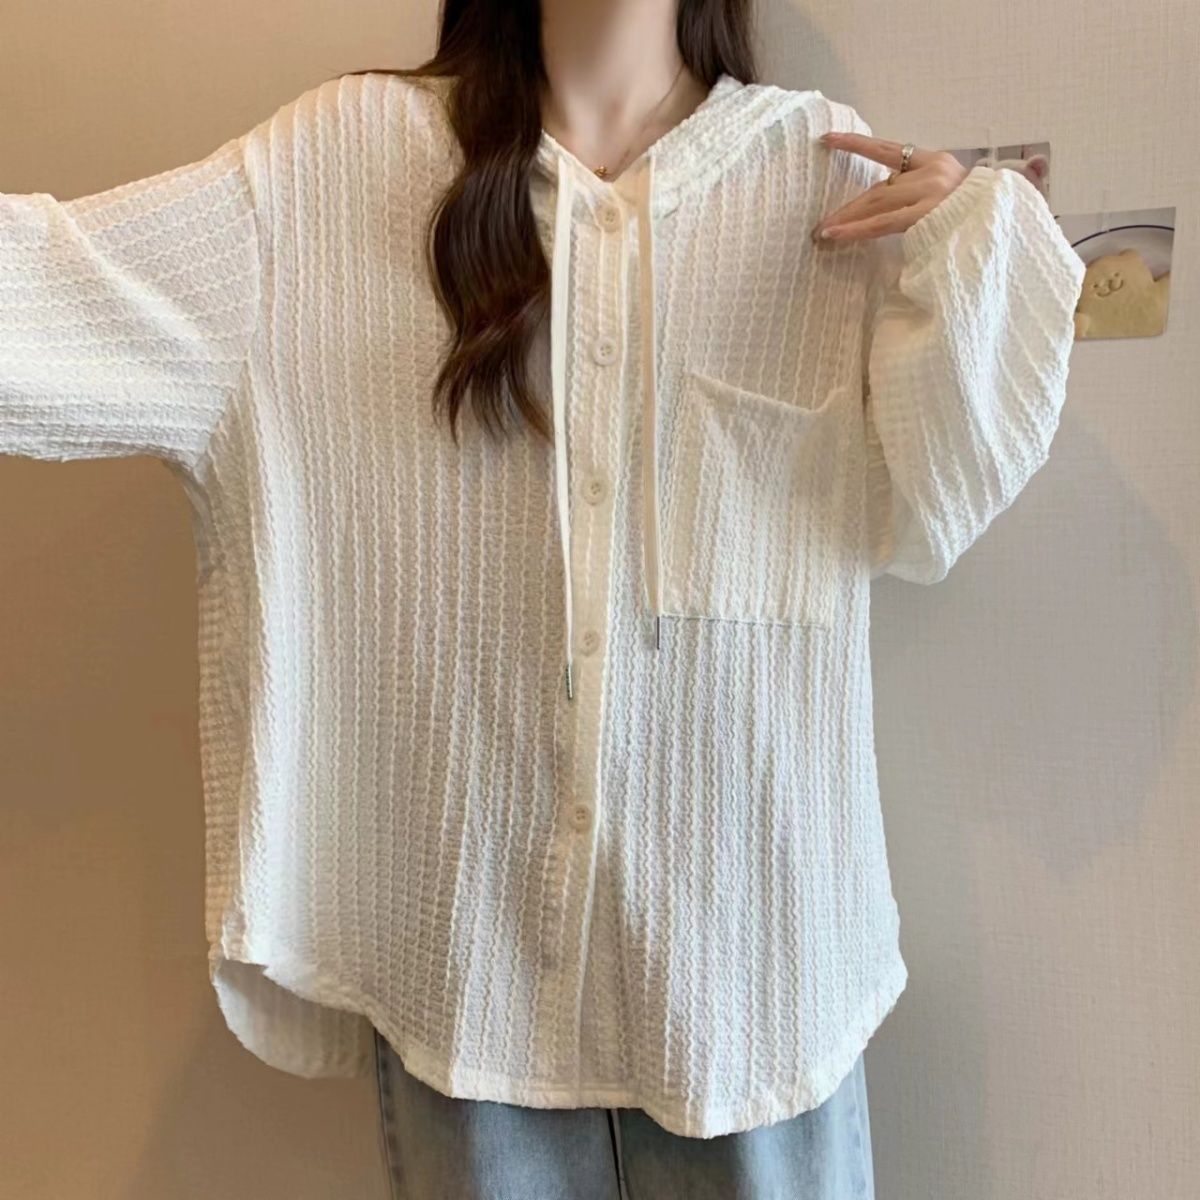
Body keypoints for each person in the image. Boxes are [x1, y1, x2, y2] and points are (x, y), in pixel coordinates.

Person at [0, 0, 1085, 1196]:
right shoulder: (337, 169)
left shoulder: (820, 174)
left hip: (754, 991)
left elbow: (943, 504)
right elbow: (51, 290)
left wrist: (979, 256)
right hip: (473, 994)